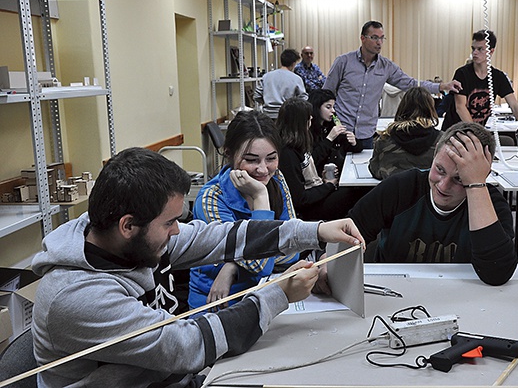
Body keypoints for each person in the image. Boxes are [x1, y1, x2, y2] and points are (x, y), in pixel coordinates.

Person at [30, 147, 363, 387]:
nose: (178, 231)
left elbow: (219, 238)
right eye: (171, 222)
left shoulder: (119, 235)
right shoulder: (77, 297)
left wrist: (316, 230)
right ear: (128, 225)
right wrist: (279, 294)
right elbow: (186, 346)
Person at [349, 122, 517, 286]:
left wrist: (476, 186)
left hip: (462, 298)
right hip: (395, 291)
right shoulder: (401, 188)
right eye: (439, 169)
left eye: (459, 179)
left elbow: (497, 273)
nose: (443, 185)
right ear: (435, 154)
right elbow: (349, 233)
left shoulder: (492, 205)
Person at [189, 112, 300, 313]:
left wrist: (232, 266)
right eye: (251, 160)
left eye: (271, 158)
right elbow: (261, 264)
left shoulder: (277, 179)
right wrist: (260, 197)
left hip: (265, 290)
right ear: (230, 154)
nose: (263, 169)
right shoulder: (212, 198)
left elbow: (293, 249)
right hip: (219, 304)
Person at [323, 20, 461, 148]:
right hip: (341, 129)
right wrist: (331, 122)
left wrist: (442, 86)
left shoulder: (386, 67)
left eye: (382, 38)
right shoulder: (344, 62)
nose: (379, 42)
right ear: (363, 38)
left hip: (366, 134)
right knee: (337, 171)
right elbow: (327, 94)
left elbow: (410, 83)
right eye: (375, 37)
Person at [277, 98, 366, 221]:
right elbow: (299, 199)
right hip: (308, 210)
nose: (311, 119)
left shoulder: (301, 142)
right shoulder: (288, 153)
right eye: (309, 117)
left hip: (318, 191)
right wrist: (329, 186)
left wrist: (324, 181)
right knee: (357, 193)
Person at [441, 30, 518, 132]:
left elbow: (514, 106)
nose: (475, 53)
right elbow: (460, 107)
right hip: (455, 131)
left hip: (476, 131)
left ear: (491, 51)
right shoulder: (462, 74)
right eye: (473, 49)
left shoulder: (498, 77)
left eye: (480, 49)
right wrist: (477, 133)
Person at [368, 86, 443, 179]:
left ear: (402, 107)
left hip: (395, 191)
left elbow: (374, 169)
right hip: (428, 191)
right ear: (430, 109)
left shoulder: (385, 139)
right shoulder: (442, 141)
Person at [309, 88, 363, 174]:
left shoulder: (330, 125)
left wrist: (354, 142)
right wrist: (330, 138)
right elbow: (312, 160)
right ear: (317, 107)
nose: (333, 111)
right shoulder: (308, 130)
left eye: (333, 107)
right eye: (328, 107)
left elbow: (352, 147)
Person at [254, 48, 308, 118]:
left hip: (267, 116)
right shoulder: (296, 79)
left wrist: (267, 102)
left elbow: (257, 96)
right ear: (294, 63)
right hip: (287, 116)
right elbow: (303, 99)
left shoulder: (266, 76)